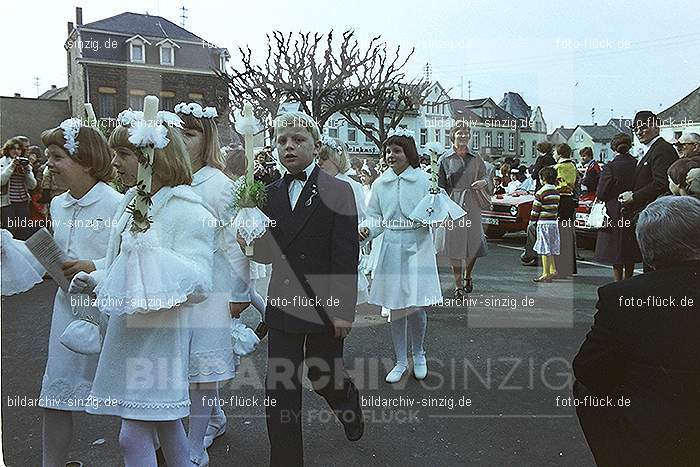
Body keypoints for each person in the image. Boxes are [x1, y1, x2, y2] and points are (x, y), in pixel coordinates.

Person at [72, 106, 216, 467]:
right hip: (127, 336)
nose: (114, 162)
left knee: (132, 436)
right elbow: (124, 262)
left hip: (159, 340)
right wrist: (97, 275)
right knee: (168, 431)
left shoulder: (187, 210)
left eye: (123, 154)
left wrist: (155, 258)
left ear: (152, 156)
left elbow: (200, 282)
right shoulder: (131, 202)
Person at [244, 111, 363, 466]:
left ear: (316, 146)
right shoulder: (266, 194)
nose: (289, 146)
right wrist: (247, 242)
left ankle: (346, 401)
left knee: (323, 373)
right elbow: (266, 255)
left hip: (325, 303)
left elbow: (345, 254)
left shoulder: (337, 190)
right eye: (282, 140)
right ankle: (285, 459)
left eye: (298, 140)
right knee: (279, 389)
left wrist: (343, 312)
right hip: (283, 303)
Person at [573, 196, 700, 467]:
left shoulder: (621, 296)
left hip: (651, 433)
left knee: (586, 389)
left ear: (646, 247)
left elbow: (587, 369)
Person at [37, 119, 123, 467]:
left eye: (57, 157)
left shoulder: (117, 203)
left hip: (110, 308)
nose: (49, 165)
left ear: (86, 160)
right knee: (55, 391)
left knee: (130, 397)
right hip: (67, 308)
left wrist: (94, 265)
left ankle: (148, 457)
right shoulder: (58, 205)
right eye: (48, 157)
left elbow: (131, 258)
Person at [176, 101, 255, 464]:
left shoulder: (220, 186)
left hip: (214, 285)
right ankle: (214, 417)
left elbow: (236, 244)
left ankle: (198, 436)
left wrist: (240, 294)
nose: (181, 138)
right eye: (177, 131)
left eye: (190, 133)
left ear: (206, 139)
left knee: (204, 365)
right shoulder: (174, 181)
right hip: (181, 286)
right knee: (187, 361)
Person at [359, 128, 442, 383]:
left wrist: (434, 209)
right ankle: (399, 360)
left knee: (415, 306)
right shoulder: (380, 183)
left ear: (409, 153)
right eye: (388, 151)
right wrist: (366, 230)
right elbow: (375, 217)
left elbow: (437, 215)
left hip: (417, 246)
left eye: (397, 150)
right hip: (392, 246)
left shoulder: (425, 181)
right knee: (396, 306)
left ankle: (418, 353)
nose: (391, 155)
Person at [437, 120, 489, 296]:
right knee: (454, 245)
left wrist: (483, 181)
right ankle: (458, 284)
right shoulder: (444, 159)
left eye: (467, 133)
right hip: (453, 205)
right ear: (453, 135)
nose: (464, 136)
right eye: (460, 133)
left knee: (474, 243)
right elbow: (439, 186)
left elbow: (487, 176)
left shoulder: (476, 157)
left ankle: (468, 275)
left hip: (473, 203)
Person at [318, 135, 369, 305]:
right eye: (317, 157)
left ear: (336, 159)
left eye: (324, 158)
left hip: (341, 248)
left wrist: (358, 235)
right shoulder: (315, 184)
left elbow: (362, 217)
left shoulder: (352, 186)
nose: (319, 162)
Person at [594, 134, 643, 281]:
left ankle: (618, 282)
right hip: (634, 209)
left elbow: (601, 193)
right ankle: (629, 280)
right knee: (630, 248)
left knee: (616, 250)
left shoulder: (610, 167)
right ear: (630, 146)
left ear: (613, 147)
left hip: (614, 211)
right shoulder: (637, 164)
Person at [619, 111, 678, 219]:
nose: (638, 133)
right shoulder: (653, 148)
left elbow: (661, 183)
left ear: (656, 127)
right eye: (635, 129)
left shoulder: (662, 149)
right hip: (649, 211)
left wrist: (634, 196)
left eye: (643, 128)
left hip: (655, 213)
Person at [1, 137, 38, 238]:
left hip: (23, 201)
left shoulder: (25, 163)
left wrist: (27, 171)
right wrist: (12, 166)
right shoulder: (2, 163)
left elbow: (33, 185)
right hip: (7, 203)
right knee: (10, 230)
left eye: (18, 149)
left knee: (23, 229)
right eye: (13, 148)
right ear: (8, 150)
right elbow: (1, 181)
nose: (16, 151)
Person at [530, 166, 560, 282]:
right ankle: (553, 269)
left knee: (544, 248)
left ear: (543, 179)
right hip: (553, 222)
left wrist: (532, 221)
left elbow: (535, 209)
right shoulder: (556, 192)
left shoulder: (540, 192)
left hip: (543, 223)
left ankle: (545, 273)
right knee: (551, 247)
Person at [553, 143, 578, 277]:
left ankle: (560, 268)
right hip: (569, 200)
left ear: (559, 153)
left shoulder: (558, 167)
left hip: (560, 201)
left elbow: (558, 185)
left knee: (559, 234)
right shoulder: (572, 166)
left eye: (555, 152)